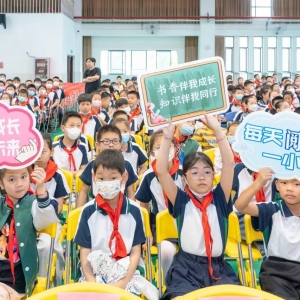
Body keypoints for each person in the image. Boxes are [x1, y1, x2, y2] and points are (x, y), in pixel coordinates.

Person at [156, 116, 239, 299]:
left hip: (218, 268)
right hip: (186, 269)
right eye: (194, 172)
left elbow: (229, 163)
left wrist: (218, 130)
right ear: (184, 178)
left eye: (207, 172)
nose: (202, 177)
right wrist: (168, 138)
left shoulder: (220, 198)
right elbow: (161, 170)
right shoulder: (181, 200)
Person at [73, 149, 152, 295]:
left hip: (126, 272)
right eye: (101, 179)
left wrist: (122, 283)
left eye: (113, 178)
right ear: (94, 178)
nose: (106, 183)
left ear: (124, 178)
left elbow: (136, 253)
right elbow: (84, 253)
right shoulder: (87, 211)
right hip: (94, 273)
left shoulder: (135, 211)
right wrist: (93, 284)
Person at [235, 168, 300, 299]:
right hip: (275, 272)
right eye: (284, 183)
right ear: (277, 185)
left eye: (296, 184)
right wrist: (259, 182)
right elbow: (240, 205)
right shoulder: (271, 209)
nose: (289, 188)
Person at [0, 166, 59, 298]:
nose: (19, 183)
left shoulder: (33, 203)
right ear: (1, 184)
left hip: (18, 280)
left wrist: (41, 189)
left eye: (23, 177)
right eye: (11, 179)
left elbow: (45, 218)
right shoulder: (1, 203)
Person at [135, 131, 185, 277]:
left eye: (168, 145)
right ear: (151, 152)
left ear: (175, 149)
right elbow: (143, 205)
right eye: (158, 146)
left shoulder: (185, 172)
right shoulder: (149, 176)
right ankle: (168, 281)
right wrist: (147, 233)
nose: (164, 149)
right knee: (167, 251)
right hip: (161, 225)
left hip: (186, 222)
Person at [30, 133, 69, 285]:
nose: (38, 156)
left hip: (49, 222)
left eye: (43, 151)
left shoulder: (58, 175)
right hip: (25, 221)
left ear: (52, 152)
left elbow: (58, 207)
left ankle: (44, 282)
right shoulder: (23, 173)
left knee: (46, 246)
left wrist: (41, 217)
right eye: (34, 151)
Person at [76, 125, 138, 208]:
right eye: (106, 141)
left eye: (115, 141)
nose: (111, 145)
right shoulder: (92, 165)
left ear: (120, 144)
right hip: (95, 206)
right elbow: (84, 190)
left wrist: (131, 209)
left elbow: (130, 191)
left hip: (120, 207)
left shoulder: (127, 165)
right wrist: (79, 211)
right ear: (98, 145)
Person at [52, 111, 88, 177]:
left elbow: (83, 170)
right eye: (72, 125)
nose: (75, 128)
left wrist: (66, 173)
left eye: (78, 126)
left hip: (76, 182)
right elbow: (51, 170)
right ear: (63, 128)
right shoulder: (53, 147)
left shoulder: (83, 147)